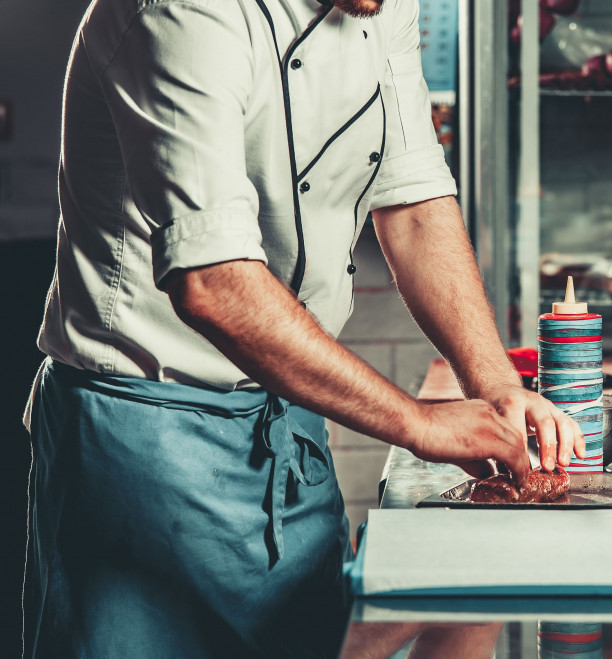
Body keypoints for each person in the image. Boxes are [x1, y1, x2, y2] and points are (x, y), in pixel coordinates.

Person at [22, 0, 583, 657]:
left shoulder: (384, 6)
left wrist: (496, 387)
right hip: (141, 445)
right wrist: (421, 422)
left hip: (287, 425)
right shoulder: (179, 9)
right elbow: (214, 283)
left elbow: (413, 203)